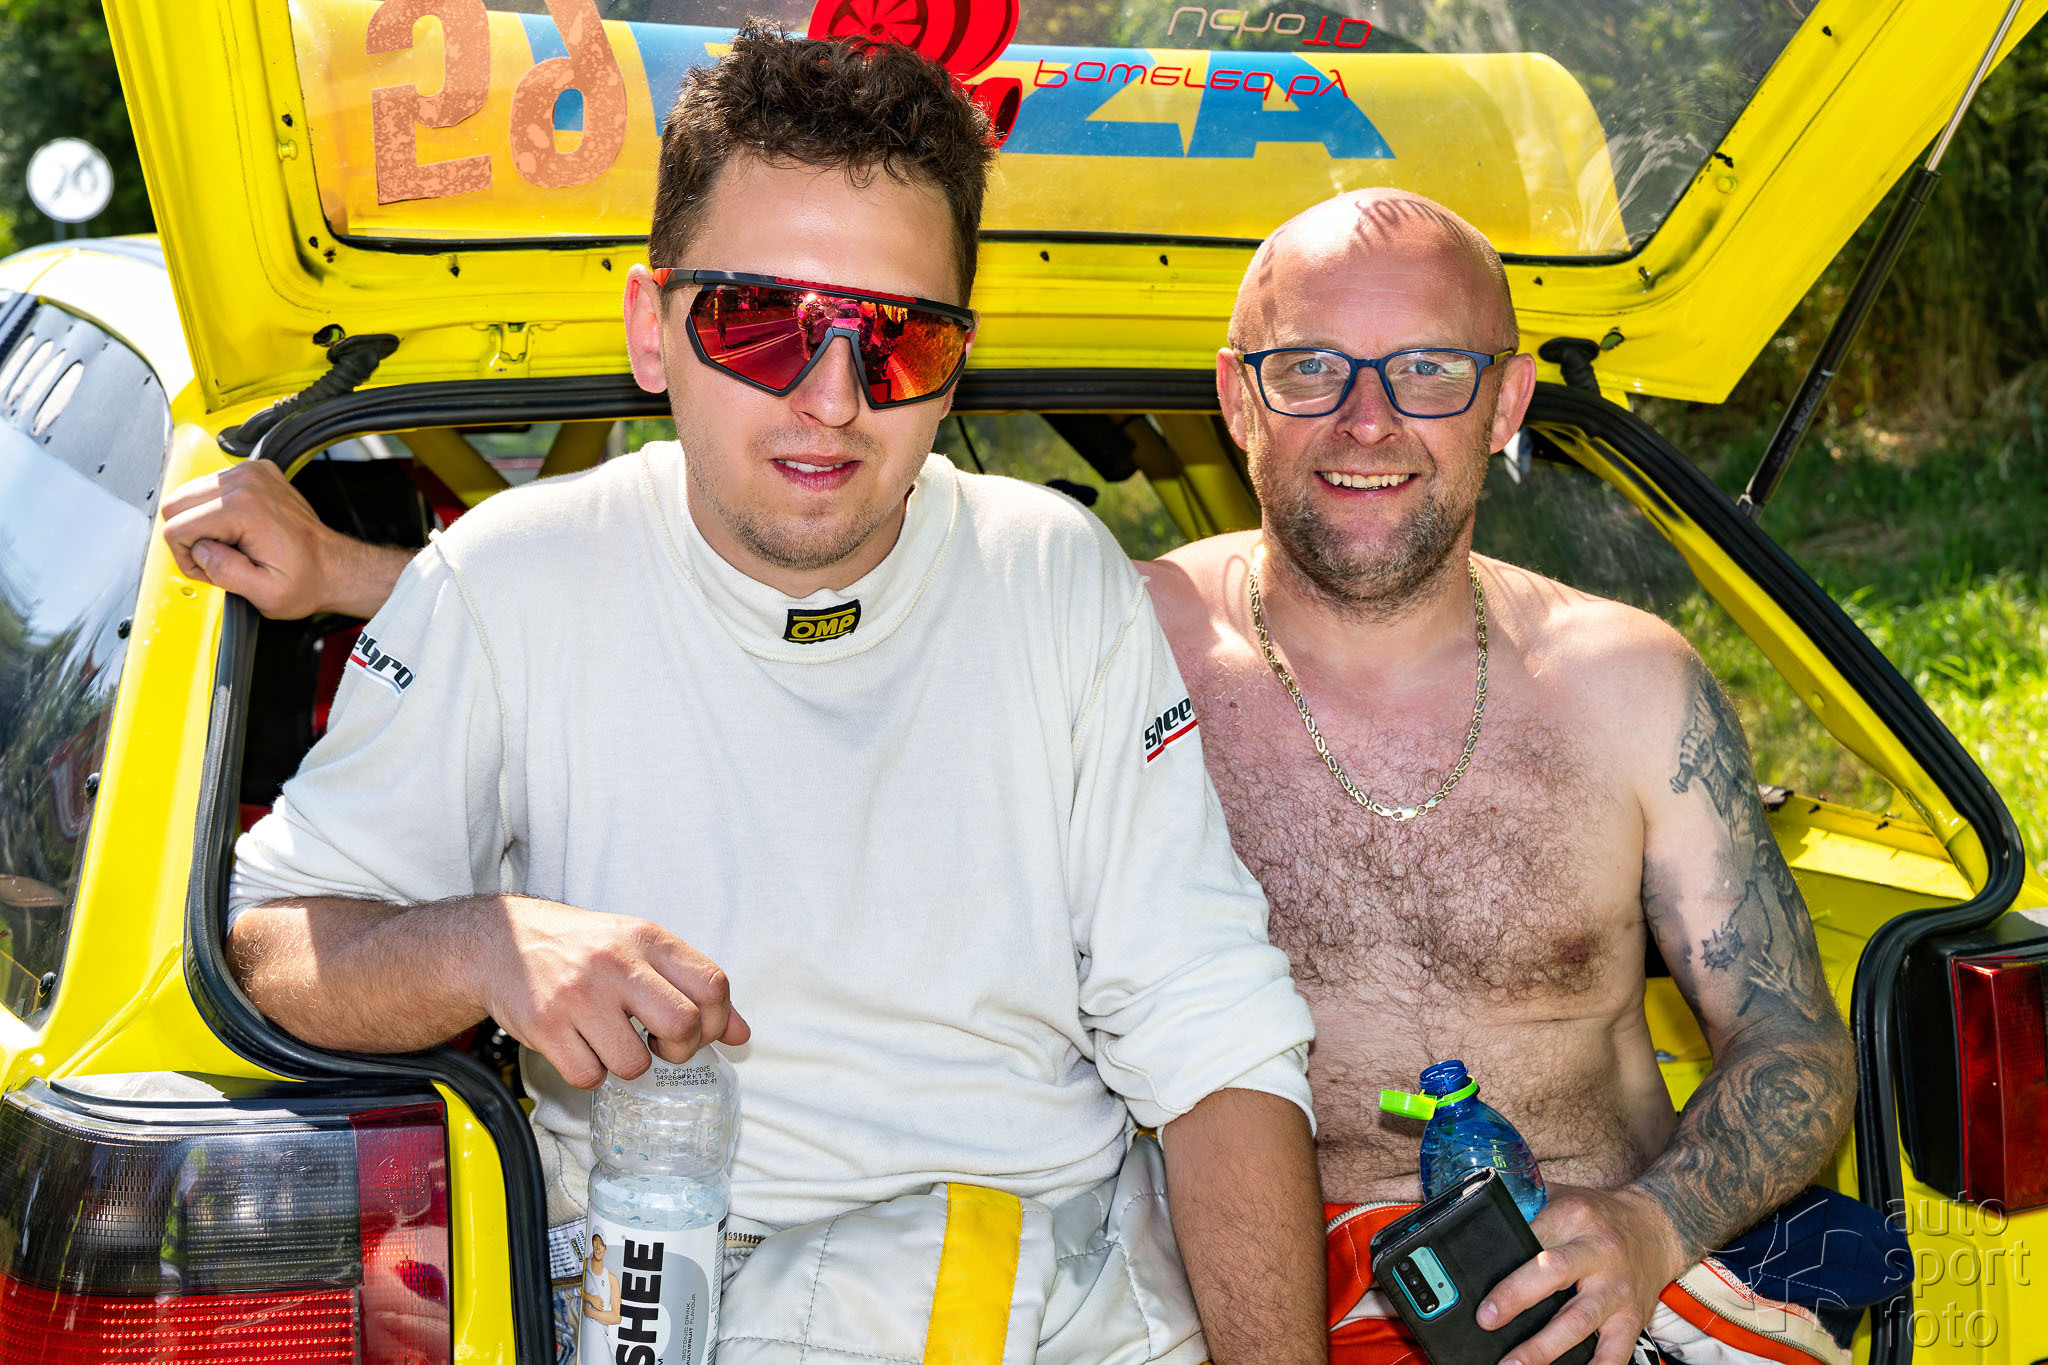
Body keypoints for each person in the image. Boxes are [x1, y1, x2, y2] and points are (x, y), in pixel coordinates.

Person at [207, 28, 1323, 1365]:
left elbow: (1209, 1026)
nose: (832, 399)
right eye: (762, 323)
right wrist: (482, 945)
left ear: (957, 363)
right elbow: (267, 938)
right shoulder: (505, 582)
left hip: (1063, 1292)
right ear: (652, 328)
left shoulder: (1054, 573)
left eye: (898, 340)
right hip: (674, 1287)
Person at [1142, 189, 1896, 1365]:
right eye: (1309, 369)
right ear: (1239, 398)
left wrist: (1651, 1225)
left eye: (1428, 371)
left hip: (1601, 1298)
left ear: (1504, 403)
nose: (1366, 422)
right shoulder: (1124, 658)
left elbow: (1790, 1045)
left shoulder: (1629, 682)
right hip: (1238, 1306)